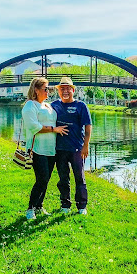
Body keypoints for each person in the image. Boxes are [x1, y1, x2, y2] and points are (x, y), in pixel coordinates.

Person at [22, 77, 68, 220]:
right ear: (36, 90)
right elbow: (33, 127)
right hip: (37, 148)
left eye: (49, 89)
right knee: (41, 179)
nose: (48, 91)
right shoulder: (30, 106)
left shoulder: (47, 106)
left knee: (46, 179)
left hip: (50, 149)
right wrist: (54, 129)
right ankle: (30, 209)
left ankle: (39, 206)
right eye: (46, 89)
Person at [52, 77, 92, 215]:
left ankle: (82, 206)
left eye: (68, 88)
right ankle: (65, 204)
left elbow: (88, 127)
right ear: (58, 91)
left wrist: (86, 145)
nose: (65, 91)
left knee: (79, 177)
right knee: (63, 178)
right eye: (62, 89)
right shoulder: (54, 105)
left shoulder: (81, 106)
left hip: (77, 149)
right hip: (60, 149)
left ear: (73, 90)